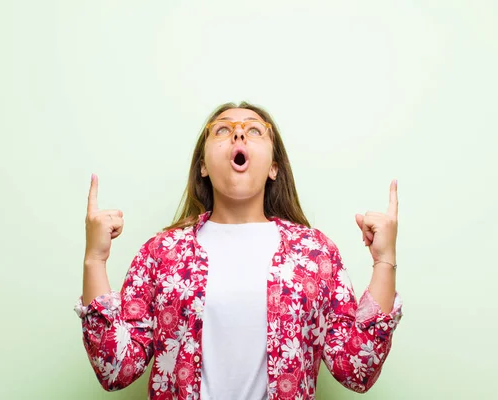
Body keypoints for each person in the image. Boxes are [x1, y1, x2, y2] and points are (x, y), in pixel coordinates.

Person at [74, 101, 403, 399]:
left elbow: (356, 369)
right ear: (203, 165)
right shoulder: (162, 252)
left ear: (274, 167)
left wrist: (384, 262)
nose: (238, 136)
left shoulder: (315, 253)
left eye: (254, 130)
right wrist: (95, 259)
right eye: (222, 130)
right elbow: (116, 368)